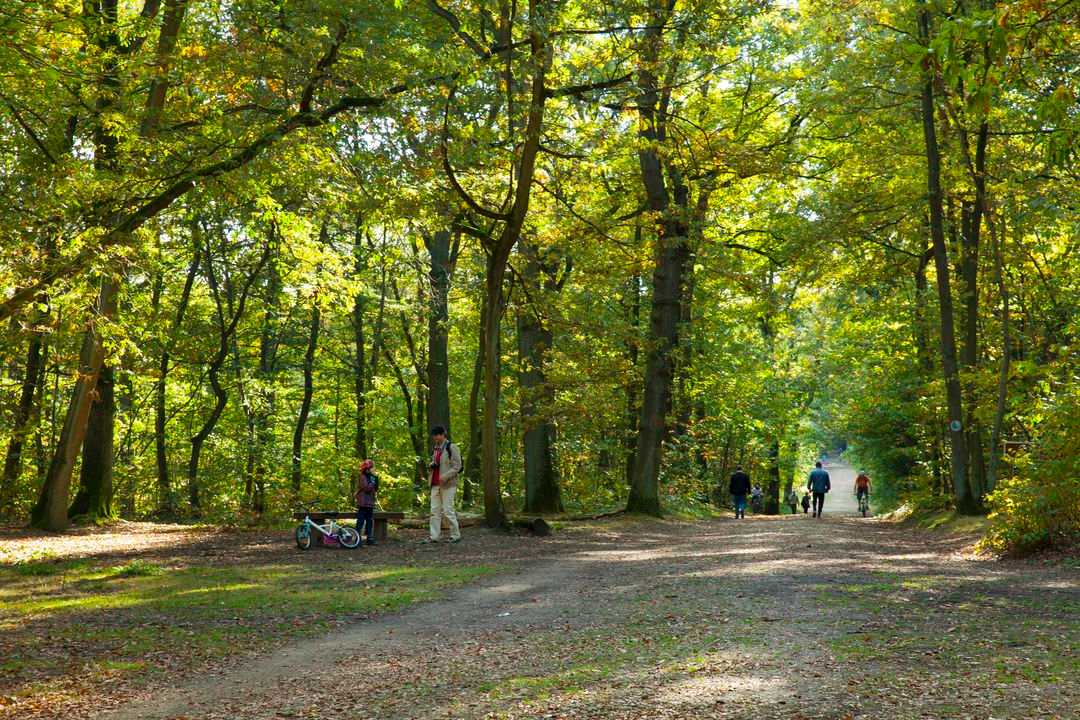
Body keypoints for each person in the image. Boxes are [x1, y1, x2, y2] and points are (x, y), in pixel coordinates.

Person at [424, 426, 462, 543]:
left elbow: (457, 466)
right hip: (435, 484)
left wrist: (444, 477)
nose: (435, 438)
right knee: (434, 511)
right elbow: (436, 462)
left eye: (437, 435)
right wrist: (432, 465)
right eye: (434, 436)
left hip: (448, 484)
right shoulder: (436, 448)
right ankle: (434, 536)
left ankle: (455, 535)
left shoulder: (452, 447)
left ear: (442, 435)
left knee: (448, 510)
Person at [354, 459, 379, 545]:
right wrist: (372, 481)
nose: (374, 469)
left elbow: (375, 489)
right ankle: (357, 539)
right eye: (372, 467)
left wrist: (376, 479)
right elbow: (366, 488)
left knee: (369, 521)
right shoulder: (362, 476)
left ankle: (369, 539)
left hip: (370, 502)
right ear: (368, 468)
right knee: (360, 521)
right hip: (363, 502)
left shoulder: (372, 476)